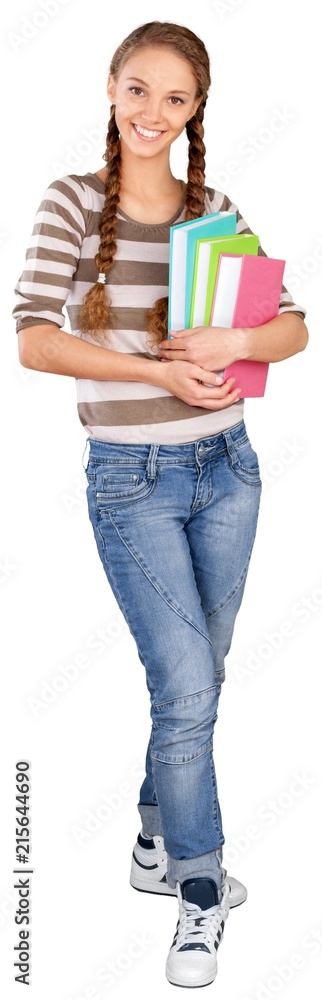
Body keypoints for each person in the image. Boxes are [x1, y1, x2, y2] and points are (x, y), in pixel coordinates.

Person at [13, 20, 308, 990]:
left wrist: (234, 348)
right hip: (130, 481)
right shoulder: (69, 203)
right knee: (185, 687)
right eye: (137, 90)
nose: (152, 113)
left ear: (195, 111)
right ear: (110, 89)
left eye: (174, 99)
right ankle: (195, 888)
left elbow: (292, 324)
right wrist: (160, 371)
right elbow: (34, 342)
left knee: (201, 677)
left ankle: (151, 832)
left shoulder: (213, 209)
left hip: (228, 470)